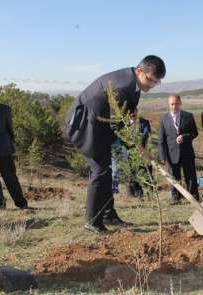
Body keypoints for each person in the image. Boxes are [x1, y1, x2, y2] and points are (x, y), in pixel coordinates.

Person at [66, 55, 166, 235]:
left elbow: (125, 113)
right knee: (100, 171)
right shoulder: (122, 86)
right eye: (151, 80)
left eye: (156, 82)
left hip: (100, 126)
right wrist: (136, 149)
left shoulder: (134, 83)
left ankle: (108, 214)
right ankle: (91, 221)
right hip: (85, 126)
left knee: (106, 168)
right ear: (139, 71)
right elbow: (117, 123)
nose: (151, 85)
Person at [158, 94, 199, 203]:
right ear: (169, 104)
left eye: (176, 104)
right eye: (172, 104)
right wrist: (162, 156)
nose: (174, 106)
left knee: (190, 176)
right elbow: (161, 140)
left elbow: (195, 133)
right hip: (171, 154)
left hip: (187, 152)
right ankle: (176, 197)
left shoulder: (188, 116)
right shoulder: (163, 119)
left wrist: (184, 137)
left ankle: (193, 196)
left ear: (180, 103)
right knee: (174, 178)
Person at [126, 108, 152, 197]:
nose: (132, 114)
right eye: (130, 113)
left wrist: (137, 141)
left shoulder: (144, 122)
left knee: (147, 172)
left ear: (137, 111)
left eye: (134, 112)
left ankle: (150, 192)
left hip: (144, 152)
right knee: (134, 173)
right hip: (131, 153)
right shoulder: (125, 124)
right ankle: (138, 193)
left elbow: (146, 133)